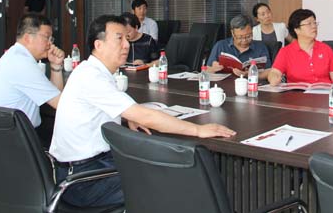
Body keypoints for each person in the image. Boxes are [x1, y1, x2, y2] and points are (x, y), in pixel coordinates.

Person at [49, 15, 235, 208]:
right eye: (119, 39)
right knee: (178, 183)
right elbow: (147, 116)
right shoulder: (92, 77)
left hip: (90, 167)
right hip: (84, 180)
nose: (126, 45)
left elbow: (114, 110)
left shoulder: (90, 70)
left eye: (126, 38)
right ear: (99, 44)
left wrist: (127, 114)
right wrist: (198, 130)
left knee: (169, 173)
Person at [0, 14, 64, 138]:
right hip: (11, 139)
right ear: (28, 38)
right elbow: (61, 104)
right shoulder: (23, 64)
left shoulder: (15, 55)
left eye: (51, 39)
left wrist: (56, 66)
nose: (50, 44)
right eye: (47, 37)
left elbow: (54, 95)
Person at [267, 9, 333, 88]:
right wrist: (273, 77)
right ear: (297, 30)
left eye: (314, 23)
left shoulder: (326, 49)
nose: (314, 26)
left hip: (325, 94)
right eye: (309, 24)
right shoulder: (286, 52)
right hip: (297, 95)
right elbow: (274, 72)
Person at [207, 14, 272, 79]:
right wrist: (213, 69)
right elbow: (206, 70)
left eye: (248, 36)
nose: (244, 40)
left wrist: (249, 74)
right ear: (232, 33)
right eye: (240, 37)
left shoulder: (260, 47)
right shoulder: (220, 45)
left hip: (250, 83)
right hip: (224, 84)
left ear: (252, 30)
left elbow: (269, 72)